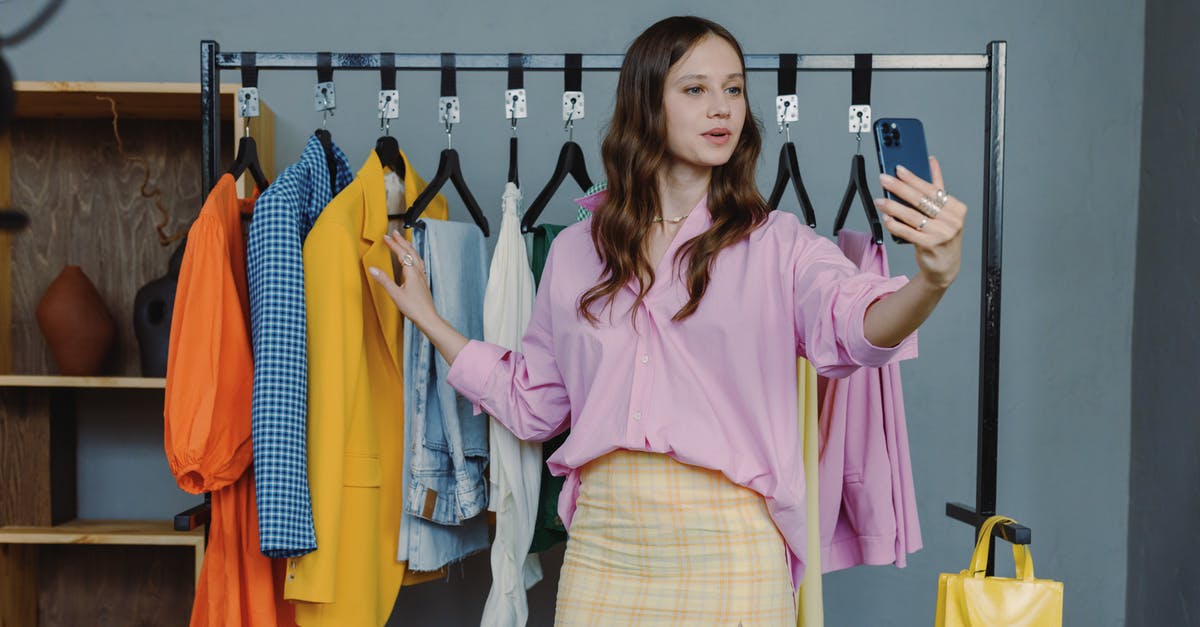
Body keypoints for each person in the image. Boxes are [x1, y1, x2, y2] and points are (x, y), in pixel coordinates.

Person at [368, 15, 965, 626]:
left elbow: (855, 326)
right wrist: (429, 318)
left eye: (733, 89)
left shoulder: (779, 244)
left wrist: (932, 281)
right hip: (603, 550)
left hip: (731, 553)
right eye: (695, 88)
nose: (722, 108)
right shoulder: (576, 250)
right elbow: (534, 404)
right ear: (646, 103)